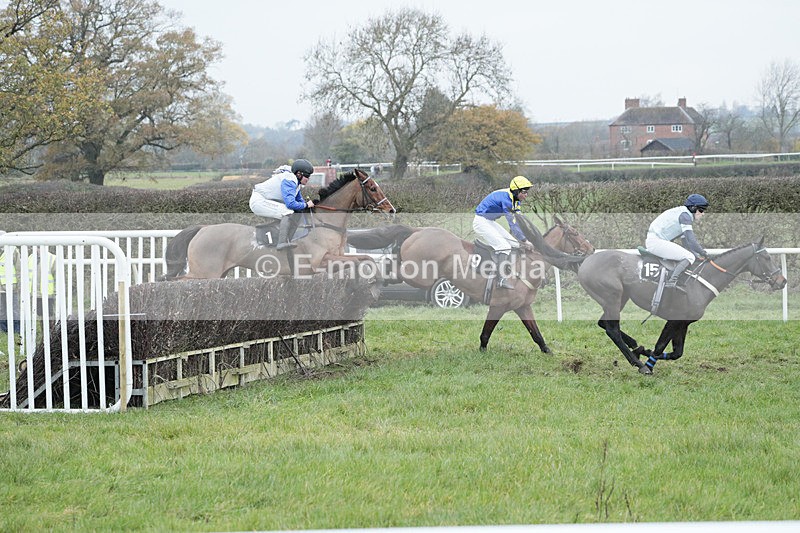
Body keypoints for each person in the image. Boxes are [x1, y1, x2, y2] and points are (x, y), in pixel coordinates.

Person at [473, 176, 536, 289]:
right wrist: (525, 240)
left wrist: (527, 237)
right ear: (517, 191)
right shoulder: (506, 200)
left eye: (527, 192)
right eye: (524, 192)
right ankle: (501, 279)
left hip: (489, 221)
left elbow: (520, 221)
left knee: (515, 244)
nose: (526, 195)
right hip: (481, 221)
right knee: (504, 246)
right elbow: (513, 223)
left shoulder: (515, 199)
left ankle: (508, 268)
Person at [645, 193, 709, 290]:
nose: (703, 213)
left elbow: (686, 242)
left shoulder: (683, 213)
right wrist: (703, 253)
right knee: (689, 256)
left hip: (656, 240)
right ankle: (671, 281)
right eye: (701, 210)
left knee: (690, 256)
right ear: (693, 208)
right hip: (656, 242)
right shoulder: (685, 216)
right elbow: (691, 240)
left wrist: (697, 256)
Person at [249, 159, 316, 249]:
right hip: (259, 202)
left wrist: (308, 205)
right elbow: (291, 204)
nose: (308, 179)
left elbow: (300, 202)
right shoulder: (290, 180)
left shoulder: (296, 183)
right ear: (299, 174)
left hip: (264, 200)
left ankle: (287, 240)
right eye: (307, 176)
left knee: (295, 212)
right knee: (288, 212)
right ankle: (281, 242)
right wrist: (306, 205)